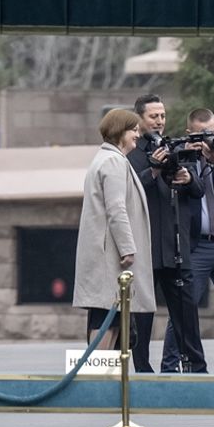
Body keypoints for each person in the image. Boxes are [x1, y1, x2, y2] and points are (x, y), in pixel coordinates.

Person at [128, 94, 206, 373]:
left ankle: (197, 367)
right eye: (153, 116)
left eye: (162, 116)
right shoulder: (131, 153)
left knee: (187, 313)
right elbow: (129, 191)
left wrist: (189, 178)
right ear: (139, 119)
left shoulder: (174, 147)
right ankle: (141, 370)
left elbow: (199, 190)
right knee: (142, 316)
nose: (160, 121)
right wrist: (153, 170)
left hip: (176, 246)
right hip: (146, 248)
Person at [161, 108, 214, 373]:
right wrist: (185, 160)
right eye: (202, 134)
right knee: (184, 309)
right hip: (196, 245)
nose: (209, 138)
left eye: (213, 132)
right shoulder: (179, 155)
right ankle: (170, 367)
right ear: (189, 134)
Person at [72, 108, 155, 362]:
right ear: (120, 131)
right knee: (106, 318)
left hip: (107, 254)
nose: (138, 135)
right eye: (134, 130)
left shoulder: (106, 159)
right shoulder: (113, 162)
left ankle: (104, 375)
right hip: (111, 257)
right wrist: (128, 247)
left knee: (114, 317)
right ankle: (97, 376)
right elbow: (116, 208)